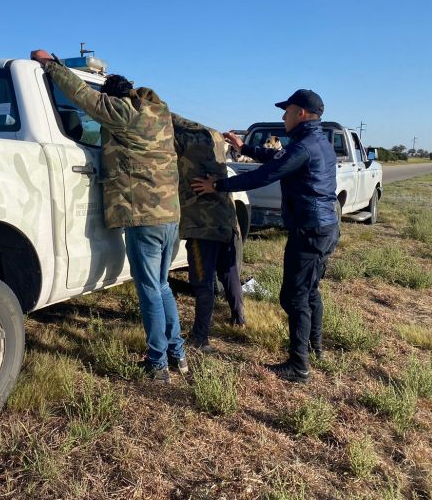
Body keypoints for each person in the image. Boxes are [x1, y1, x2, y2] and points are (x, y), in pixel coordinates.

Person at [31, 49, 185, 384]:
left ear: (114, 97)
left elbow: (84, 96)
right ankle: (178, 354)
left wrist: (52, 65)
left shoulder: (123, 113)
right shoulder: (158, 116)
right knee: (162, 286)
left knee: (150, 290)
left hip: (143, 217)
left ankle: (158, 365)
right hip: (168, 215)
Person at [192, 89, 339, 383]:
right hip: (323, 227)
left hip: (309, 230)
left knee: (294, 296)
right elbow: (276, 157)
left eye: (287, 111)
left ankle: (299, 366)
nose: (283, 116)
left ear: (301, 113)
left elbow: (265, 175)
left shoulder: (304, 145)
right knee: (309, 291)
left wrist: (219, 186)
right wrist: (244, 147)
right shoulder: (316, 141)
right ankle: (315, 348)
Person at [172, 113, 245, 354]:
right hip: (228, 223)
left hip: (202, 228)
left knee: (202, 283)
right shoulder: (212, 139)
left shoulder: (179, 140)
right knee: (229, 272)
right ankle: (239, 317)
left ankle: (201, 337)